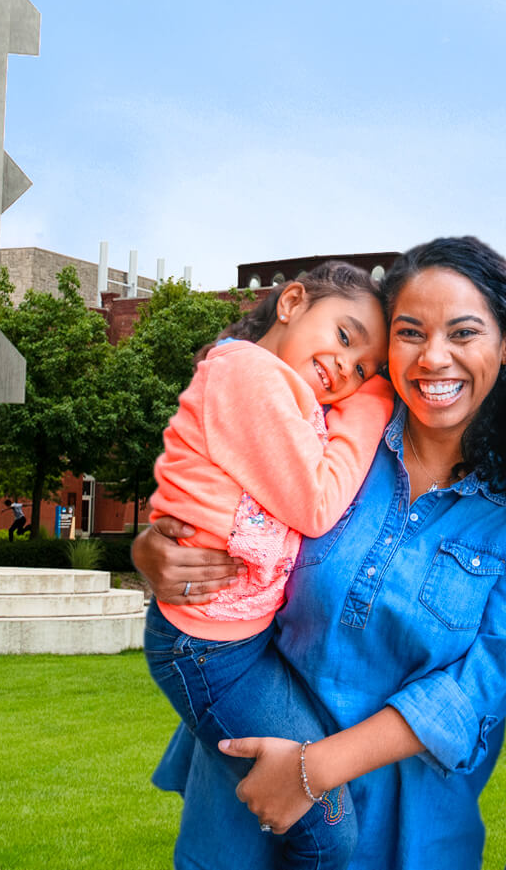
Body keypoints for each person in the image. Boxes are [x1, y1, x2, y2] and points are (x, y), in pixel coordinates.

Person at [135, 237, 506, 869]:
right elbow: (211, 499)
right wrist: (155, 548)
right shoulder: (326, 435)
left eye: (465, 332)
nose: (435, 357)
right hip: (242, 797)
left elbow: (475, 688)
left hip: (402, 826)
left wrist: (314, 769)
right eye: (411, 332)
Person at [141, 261, 392, 866]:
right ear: (292, 302)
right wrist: (375, 399)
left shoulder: (287, 395)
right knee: (329, 833)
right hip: (211, 649)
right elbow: (315, 502)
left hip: (232, 642)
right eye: (343, 335)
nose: (346, 369)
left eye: (362, 369)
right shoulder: (250, 374)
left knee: (317, 817)